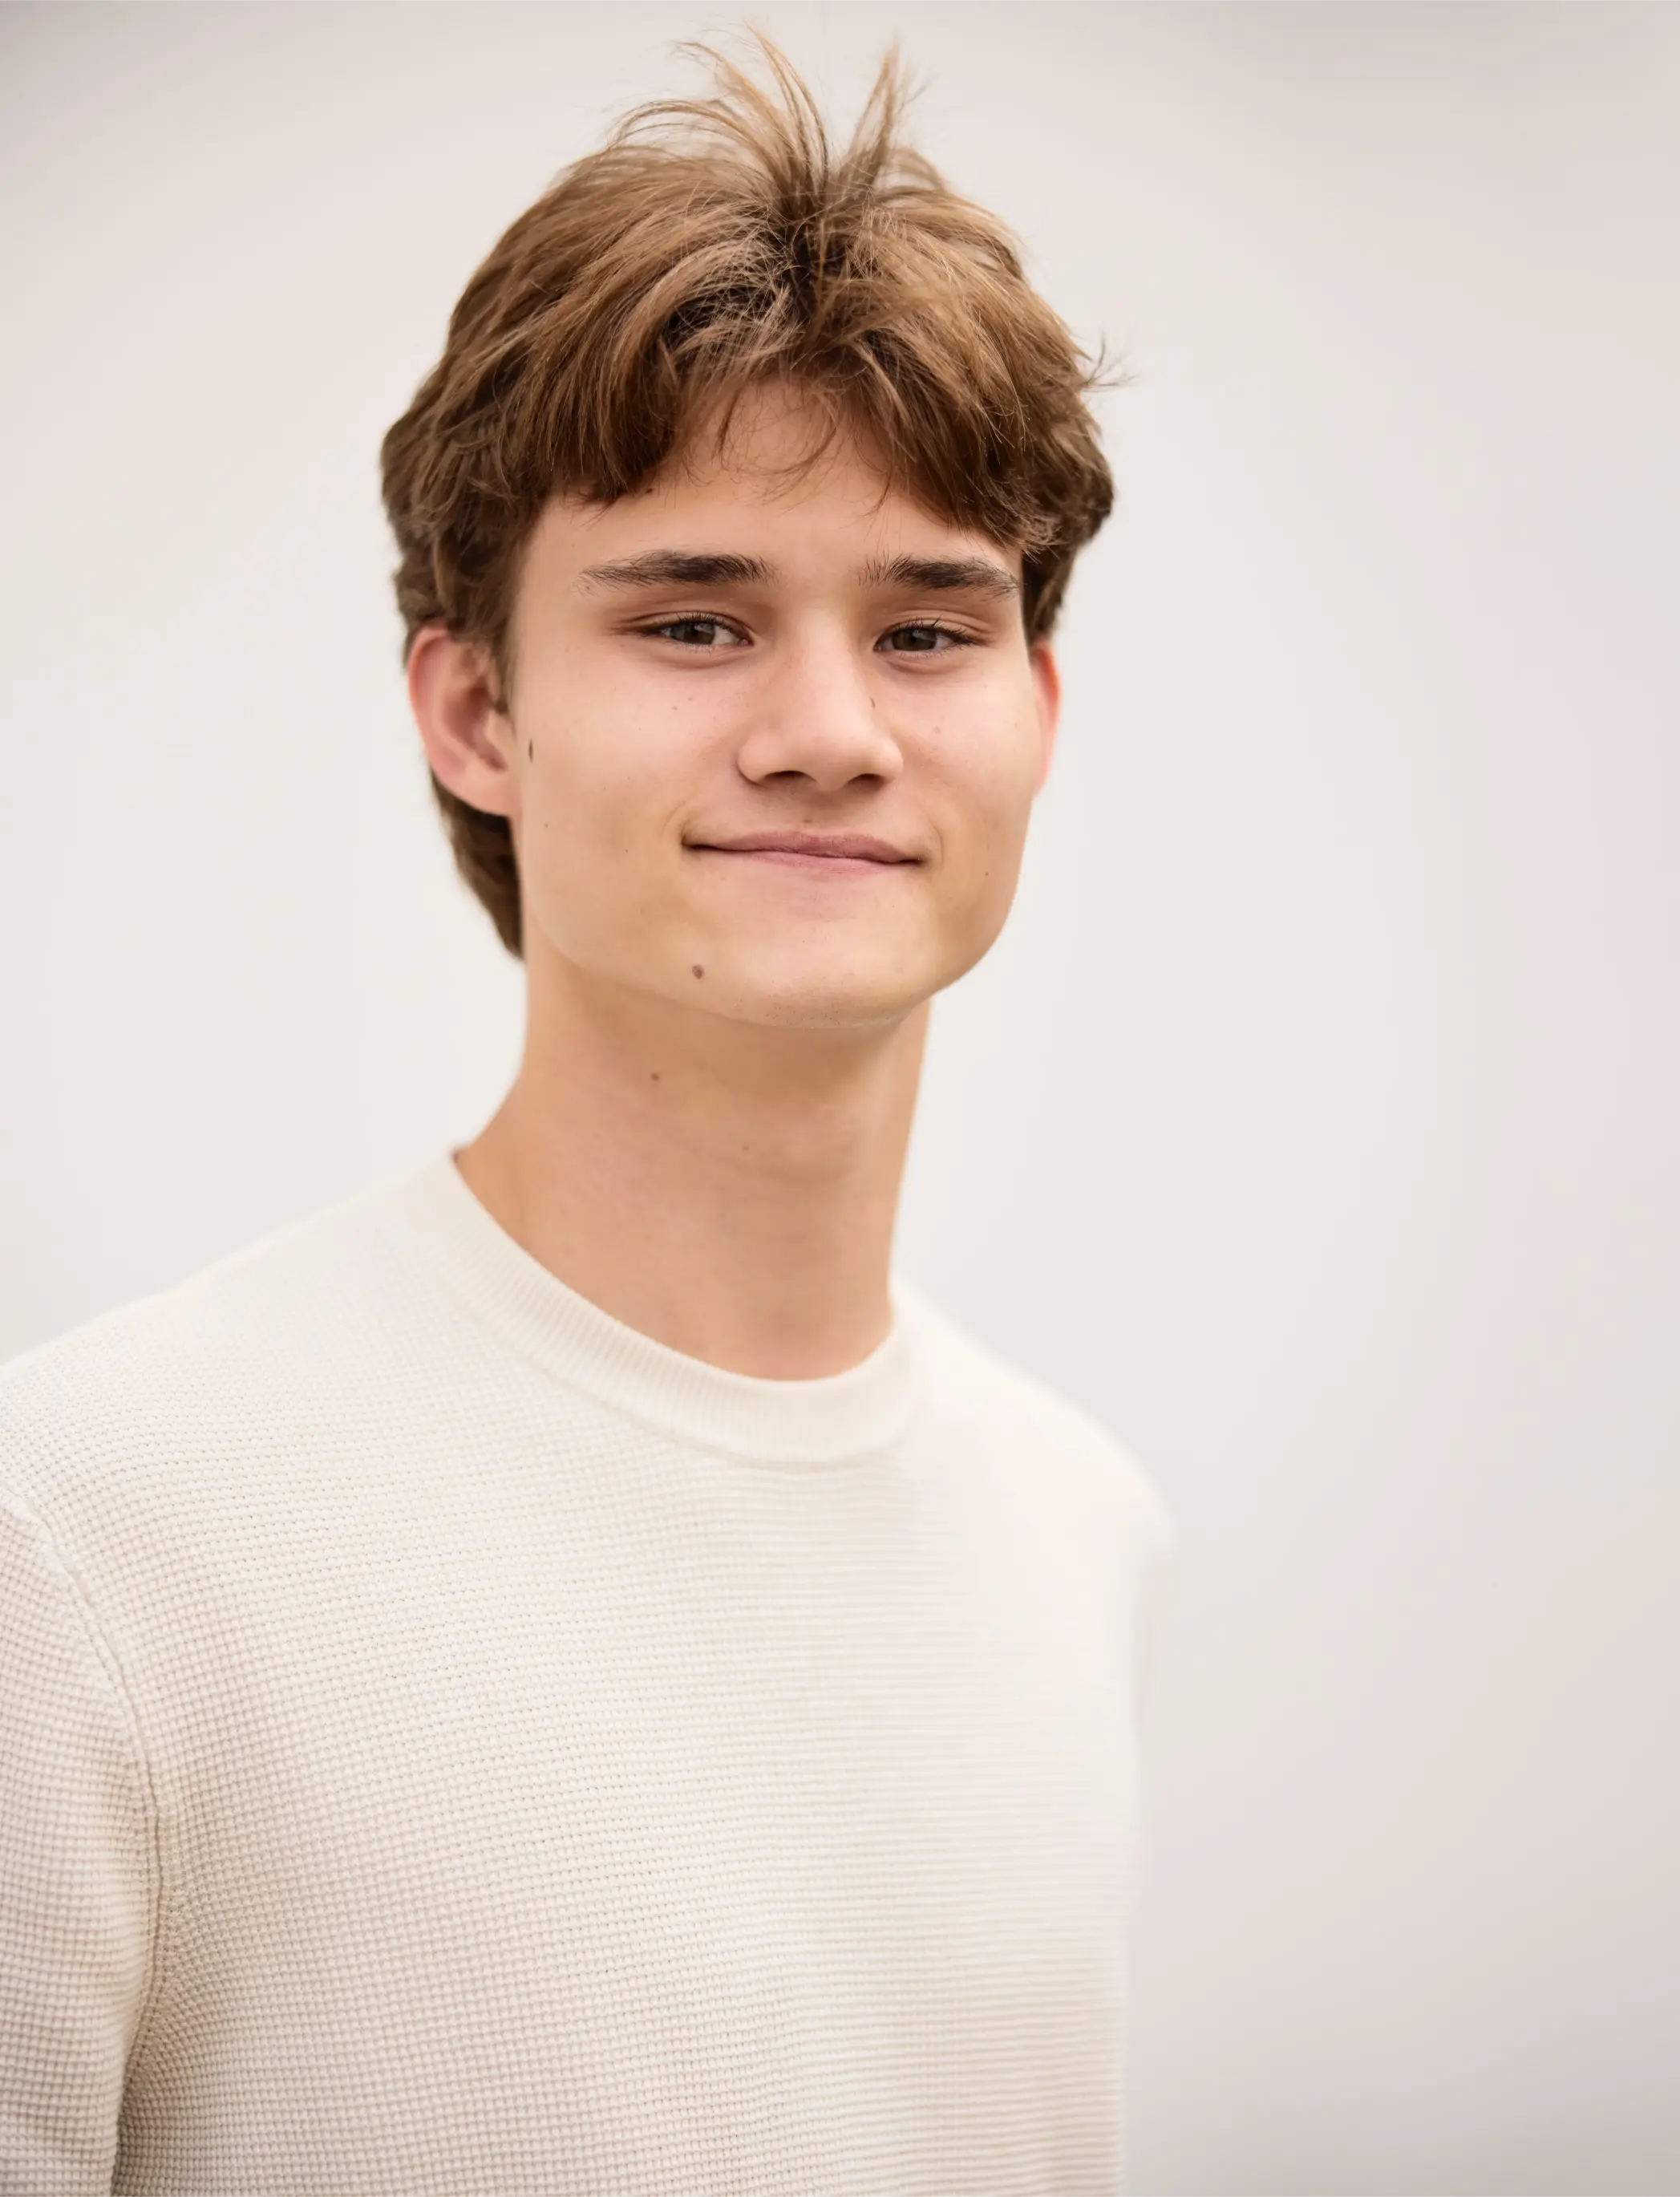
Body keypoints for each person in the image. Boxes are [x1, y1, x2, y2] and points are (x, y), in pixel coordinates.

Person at [0, 37, 1174, 2196]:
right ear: (474, 711)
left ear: (1035, 713)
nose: (828, 730)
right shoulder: (78, 1539)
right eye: (695, 617)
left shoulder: (1082, 1529)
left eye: (928, 627)